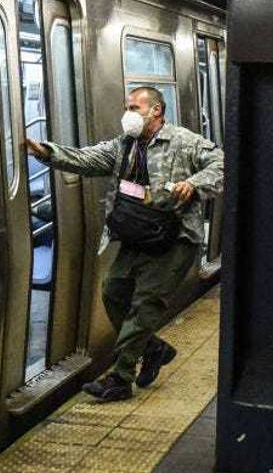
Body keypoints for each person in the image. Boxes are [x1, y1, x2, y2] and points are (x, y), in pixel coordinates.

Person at [26, 86, 224, 402]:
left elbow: (221, 164)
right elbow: (85, 158)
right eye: (127, 107)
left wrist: (193, 184)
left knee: (144, 305)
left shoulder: (184, 142)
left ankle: (120, 378)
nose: (128, 114)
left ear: (156, 110)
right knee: (113, 291)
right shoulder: (124, 145)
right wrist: (45, 152)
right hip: (135, 235)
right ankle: (153, 348)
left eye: (135, 107)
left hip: (173, 239)